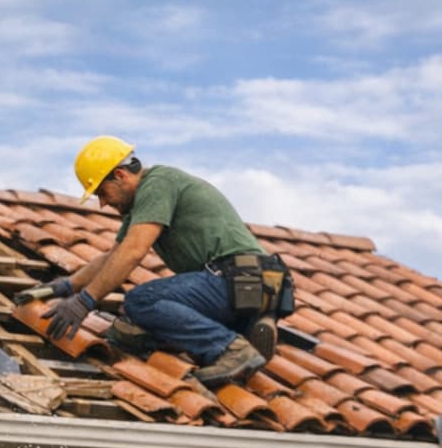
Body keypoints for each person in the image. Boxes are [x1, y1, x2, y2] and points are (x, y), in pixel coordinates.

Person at [16, 135, 292, 387]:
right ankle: (249, 328)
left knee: (141, 301)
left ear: (120, 175)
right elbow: (113, 256)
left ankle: (231, 349)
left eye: (102, 193)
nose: (102, 203)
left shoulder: (157, 184)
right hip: (260, 288)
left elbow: (133, 251)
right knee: (129, 331)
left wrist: (85, 302)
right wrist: (64, 287)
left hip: (234, 279)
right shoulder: (145, 200)